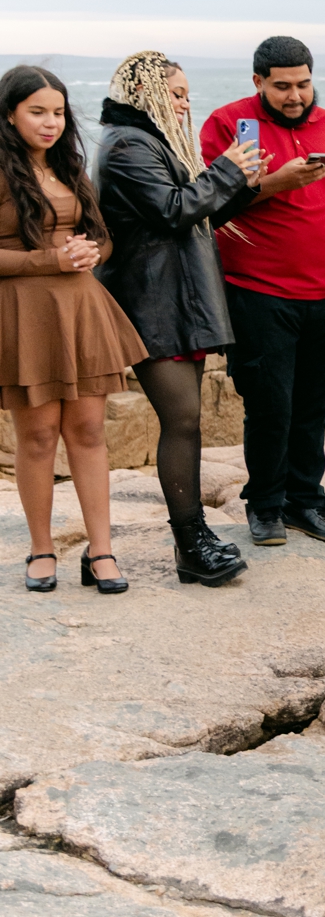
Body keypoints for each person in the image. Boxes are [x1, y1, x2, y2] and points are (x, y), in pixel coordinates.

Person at [94, 51, 260, 586]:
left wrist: (240, 183)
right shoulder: (127, 147)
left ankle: (196, 539)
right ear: (147, 95)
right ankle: (190, 543)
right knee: (183, 416)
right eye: (178, 94)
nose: (188, 104)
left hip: (175, 299)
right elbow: (174, 209)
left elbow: (196, 214)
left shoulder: (151, 142)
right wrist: (227, 171)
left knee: (185, 421)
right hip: (151, 304)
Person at [201, 35, 325, 548]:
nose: (295, 96)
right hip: (259, 292)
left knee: (314, 403)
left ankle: (306, 504)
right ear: (258, 82)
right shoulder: (228, 124)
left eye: (303, 83)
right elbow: (210, 206)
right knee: (270, 405)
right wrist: (276, 182)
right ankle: (265, 507)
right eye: (282, 87)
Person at [0, 65, 146, 593]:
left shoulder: (69, 167)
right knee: (37, 436)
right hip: (26, 316)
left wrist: (89, 252)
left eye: (58, 112)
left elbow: (101, 238)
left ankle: (101, 551)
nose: (50, 123)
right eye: (37, 112)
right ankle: (41, 550)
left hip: (81, 309)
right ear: (10, 114)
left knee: (87, 431)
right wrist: (50, 261)